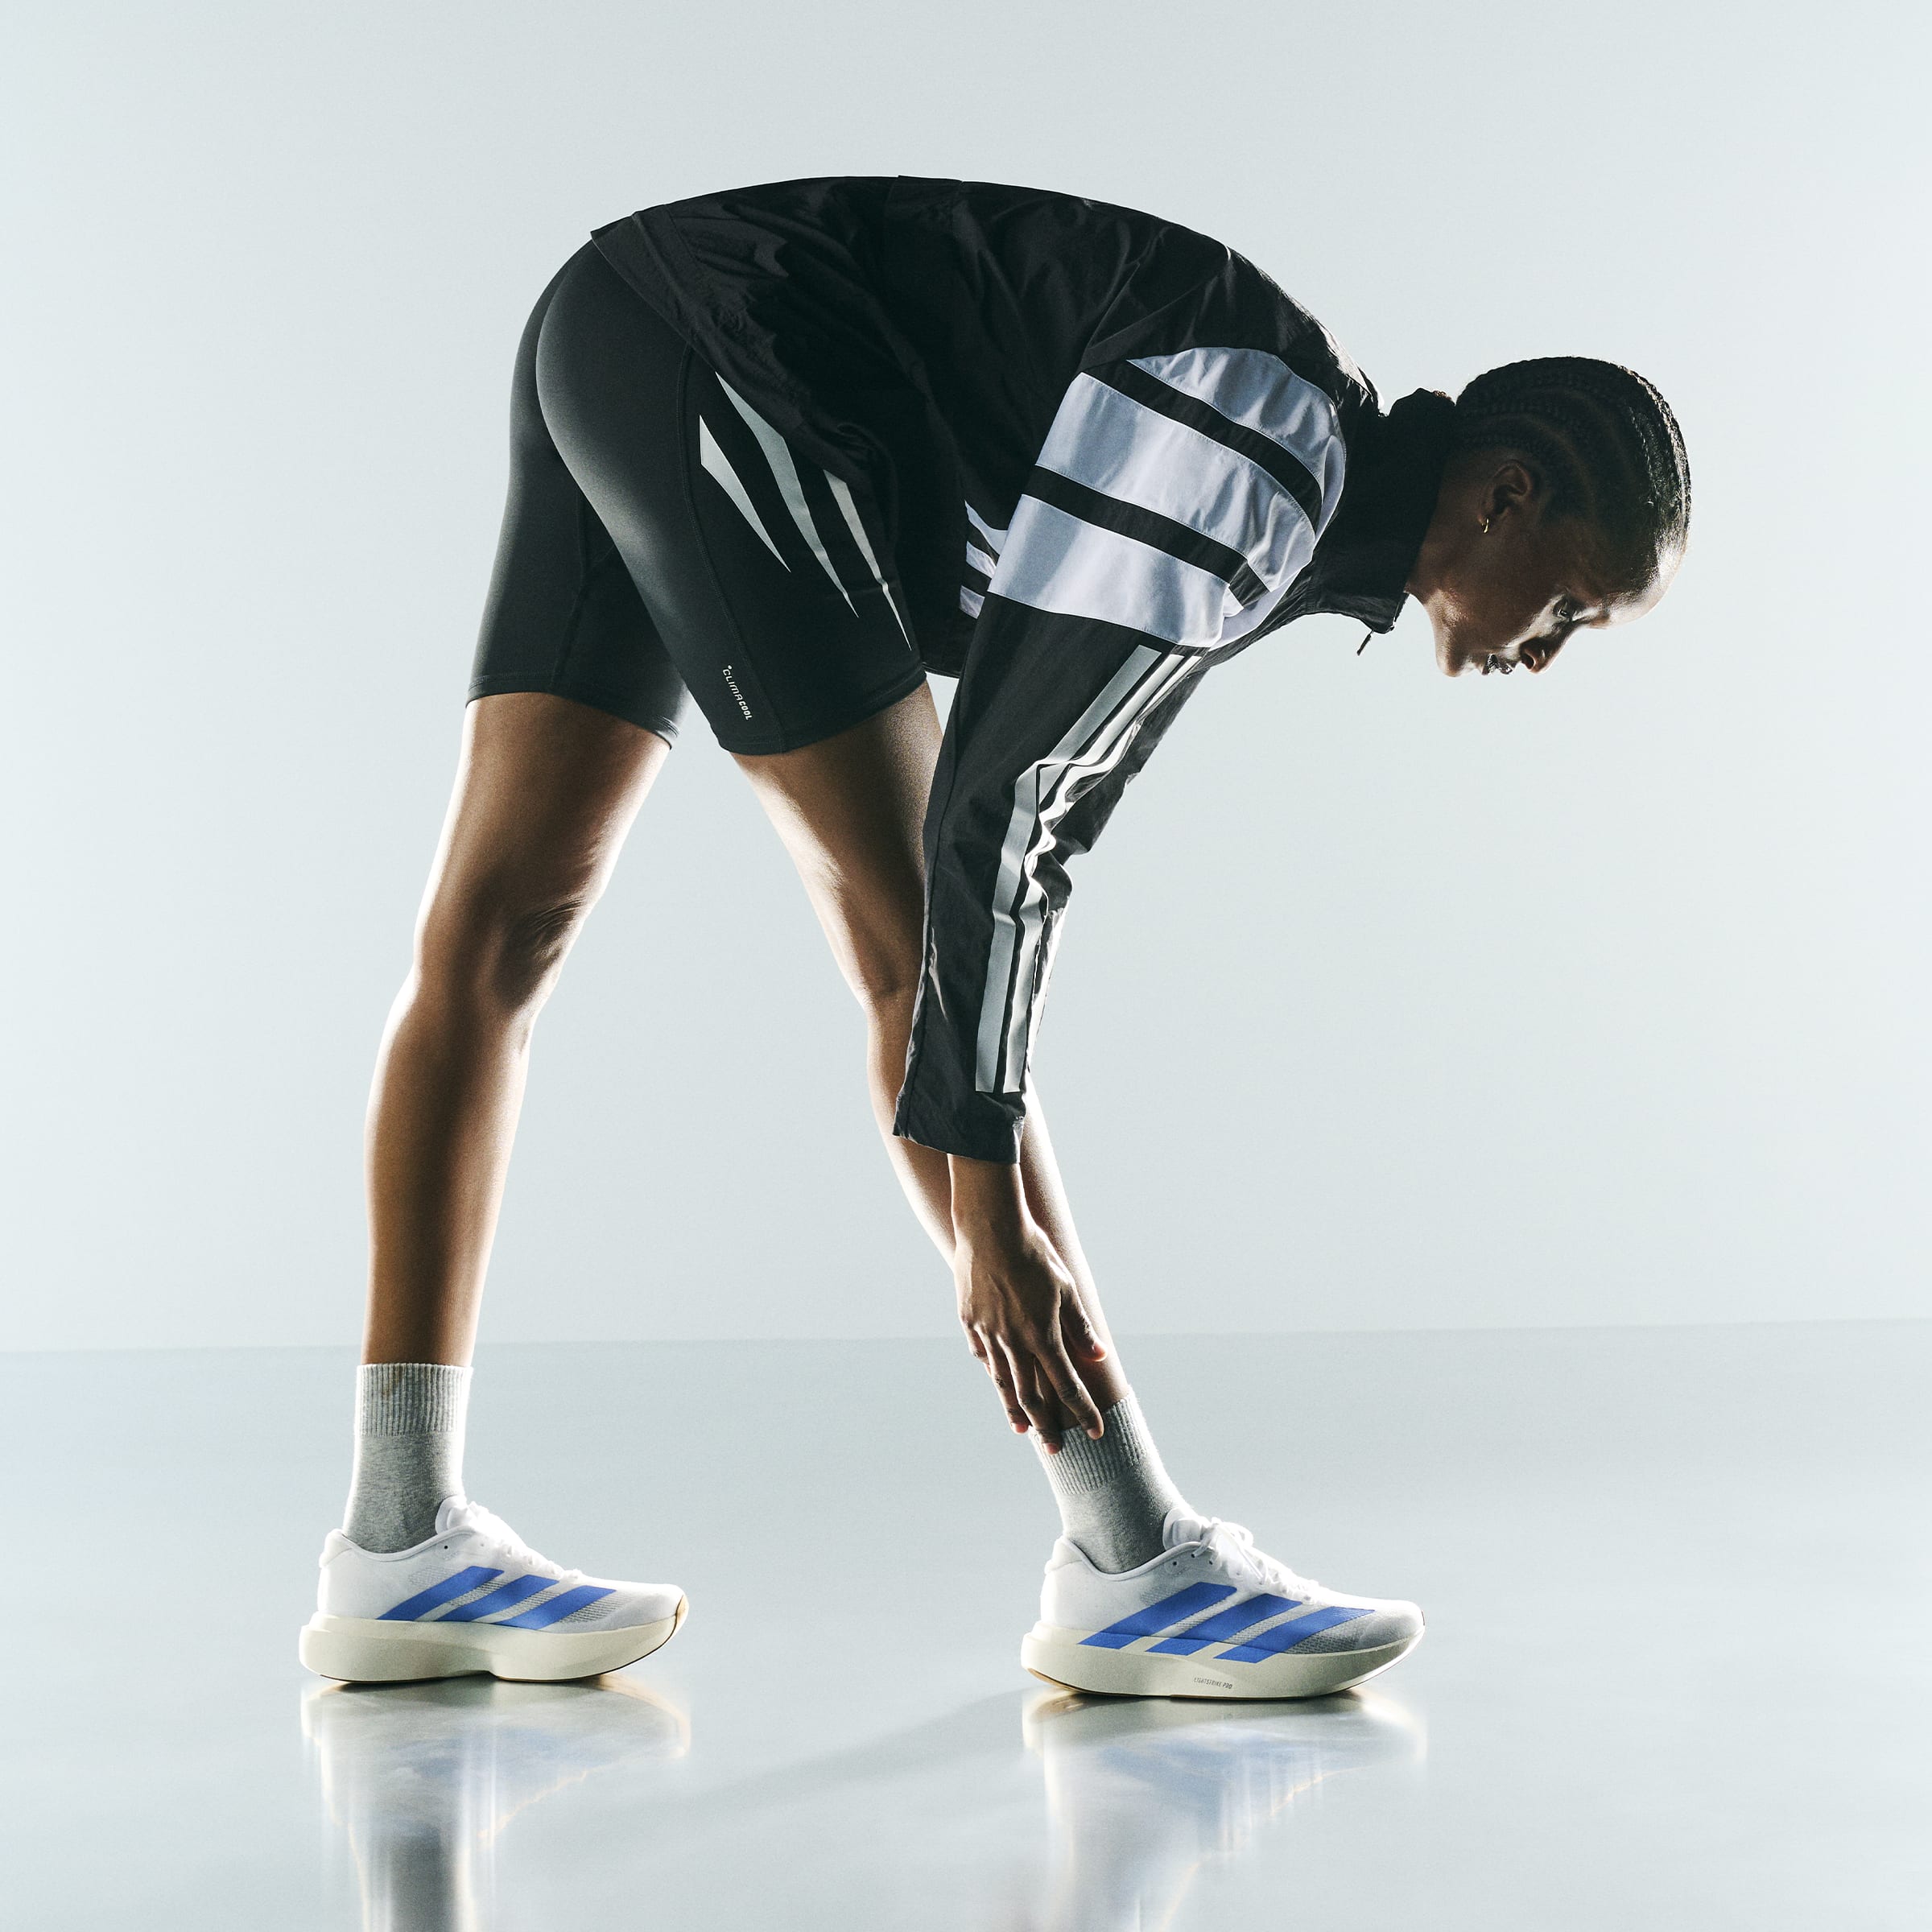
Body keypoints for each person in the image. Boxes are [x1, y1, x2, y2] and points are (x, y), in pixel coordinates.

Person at [297, 176, 1690, 1697]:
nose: (1549, 654)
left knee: (501, 933)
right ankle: (1131, 1557)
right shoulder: (1262, 460)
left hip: (623, 321)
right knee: (915, 948)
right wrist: (991, 1210)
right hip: (728, 353)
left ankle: (397, 1540)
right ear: (1504, 496)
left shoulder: (1289, 458)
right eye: (1572, 606)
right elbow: (1010, 813)